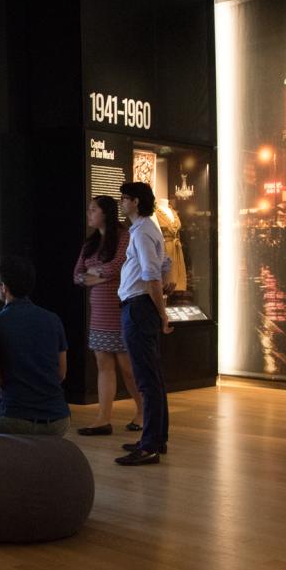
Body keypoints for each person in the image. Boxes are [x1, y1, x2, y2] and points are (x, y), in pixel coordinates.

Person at [73, 196, 143, 435]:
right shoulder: (90, 243)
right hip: (99, 312)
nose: (89, 213)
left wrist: (98, 273)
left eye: (93, 210)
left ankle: (144, 412)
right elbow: (77, 274)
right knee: (104, 366)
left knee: (128, 368)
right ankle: (103, 419)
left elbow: (119, 264)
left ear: (106, 213)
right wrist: (93, 276)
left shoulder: (124, 236)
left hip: (120, 308)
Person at [115, 182, 173, 466]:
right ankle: (156, 438)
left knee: (147, 379)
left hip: (139, 307)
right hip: (141, 306)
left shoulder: (143, 231)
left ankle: (149, 444)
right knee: (153, 378)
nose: (122, 203)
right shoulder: (147, 229)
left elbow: (152, 274)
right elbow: (165, 264)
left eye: (124, 198)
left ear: (135, 202)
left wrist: (162, 313)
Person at [0, 255, 71, 435]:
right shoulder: (53, 320)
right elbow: (61, 373)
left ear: (3, 287)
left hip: (13, 417)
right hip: (58, 419)